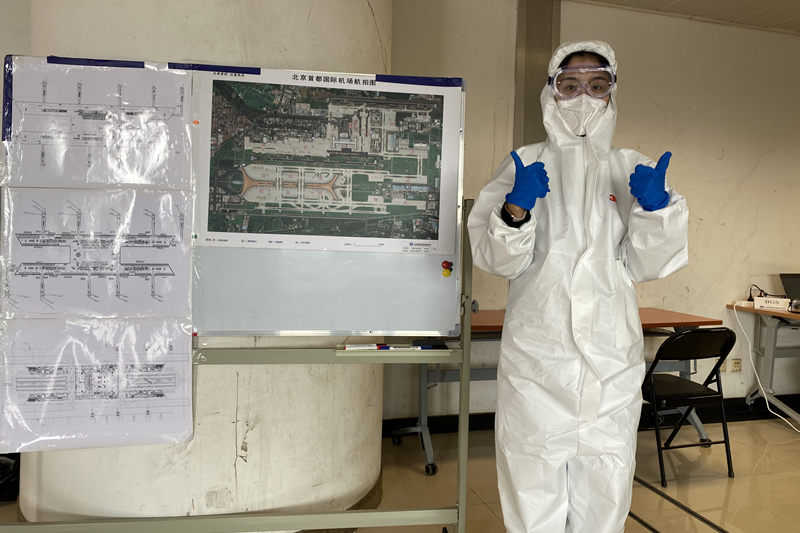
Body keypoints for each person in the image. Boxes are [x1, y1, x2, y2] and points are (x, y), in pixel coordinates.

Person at [468, 40, 689, 533]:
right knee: (533, 480)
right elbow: (496, 260)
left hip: (611, 363)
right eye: (570, 86)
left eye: (597, 84)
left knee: (605, 486)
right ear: (551, 92)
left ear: (613, 92)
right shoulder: (523, 164)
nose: (583, 97)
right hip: (538, 361)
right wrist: (515, 209)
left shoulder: (631, 167)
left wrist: (657, 211)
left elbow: (647, 264)